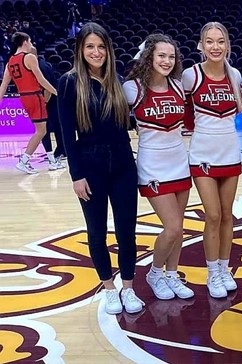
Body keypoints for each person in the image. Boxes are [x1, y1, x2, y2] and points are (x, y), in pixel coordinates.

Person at [57, 22, 144, 314]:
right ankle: (108, 288)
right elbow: (67, 135)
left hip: (122, 163)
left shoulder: (117, 80)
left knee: (127, 231)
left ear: (109, 49)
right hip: (90, 165)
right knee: (97, 232)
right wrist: (76, 175)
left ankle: (129, 288)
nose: (96, 52)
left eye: (101, 47)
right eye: (90, 47)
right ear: (80, 50)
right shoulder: (69, 82)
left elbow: (127, 124)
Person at [124, 34, 194, 301]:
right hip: (152, 165)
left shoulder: (178, 86)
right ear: (149, 57)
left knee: (181, 226)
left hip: (179, 161)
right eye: (161, 55)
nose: (166, 61)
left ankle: (172, 274)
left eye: (171, 56)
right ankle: (155, 272)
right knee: (173, 226)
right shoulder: (132, 88)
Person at [182, 22, 242, 298]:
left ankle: (223, 268)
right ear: (201, 45)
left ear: (227, 45)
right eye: (209, 41)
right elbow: (184, 116)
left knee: (227, 215)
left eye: (220, 41)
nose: (215, 47)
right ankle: (211, 272)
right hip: (203, 154)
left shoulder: (235, 75)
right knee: (213, 214)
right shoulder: (190, 75)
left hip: (230, 150)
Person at [0, 32, 58, 174]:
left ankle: (48, 160)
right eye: (30, 40)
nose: (31, 43)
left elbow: (3, 86)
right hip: (34, 95)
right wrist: (57, 93)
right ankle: (24, 161)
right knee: (41, 131)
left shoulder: (10, 62)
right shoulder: (30, 57)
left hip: (23, 98)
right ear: (25, 41)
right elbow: (41, 80)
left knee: (40, 130)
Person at [32, 45, 66, 168]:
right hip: (52, 99)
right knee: (56, 127)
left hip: (51, 100)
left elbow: (48, 88)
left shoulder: (41, 67)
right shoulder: (40, 64)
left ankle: (60, 151)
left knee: (53, 127)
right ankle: (60, 150)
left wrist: (44, 103)